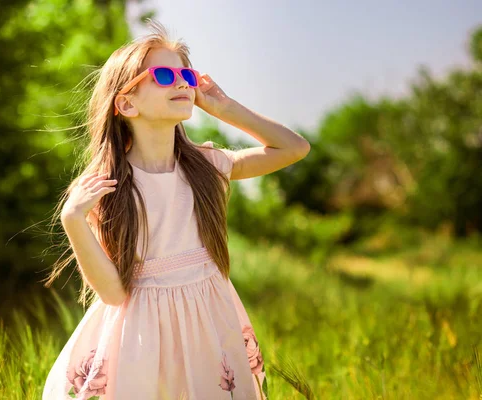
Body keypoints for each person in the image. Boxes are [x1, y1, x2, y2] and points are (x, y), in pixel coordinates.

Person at [42, 19, 310, 400]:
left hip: (209, 323)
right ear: (126, 103)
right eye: (165, 74)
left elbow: (294, 149)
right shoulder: (106, 187)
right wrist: (73, 219)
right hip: (141, 338)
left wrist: (226, 108)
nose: (183, 82)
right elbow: (114, 295)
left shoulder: (208, 165)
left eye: (186, 73)